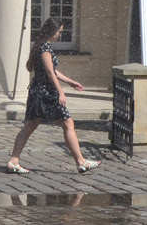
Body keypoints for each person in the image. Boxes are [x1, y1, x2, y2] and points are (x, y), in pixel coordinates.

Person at [6, 17, 100, 174]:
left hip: (39, 92)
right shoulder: (44, 49)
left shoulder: (41, 47)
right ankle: (81, 162)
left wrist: (70, 82)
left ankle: (14, 161)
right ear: (52, 31)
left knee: (31, 125)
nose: (60, 35)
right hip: (46, 94)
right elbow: (50, 73)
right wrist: (61, 92)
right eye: (59, 31)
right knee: (67, 124)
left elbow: (52, 71)